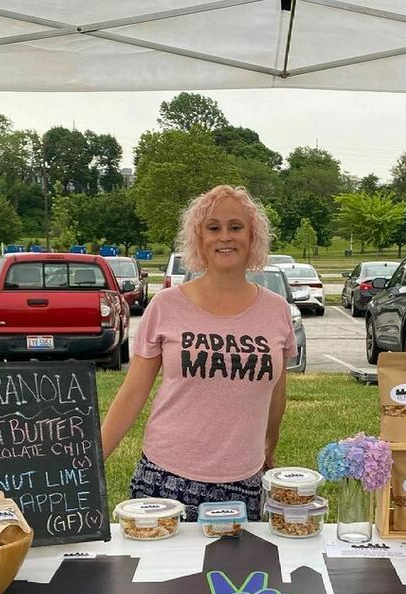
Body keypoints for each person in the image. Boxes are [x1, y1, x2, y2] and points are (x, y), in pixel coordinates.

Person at [101, 185, 296, 521]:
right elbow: (132, 393)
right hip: (166, 480)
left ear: (253, 237)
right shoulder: (166, 306)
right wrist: (91, 463)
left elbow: (277, 392)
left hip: (244, 482)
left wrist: (268, 448)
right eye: (213, 227)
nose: (225, 237)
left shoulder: (277, 311)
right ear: (198, 238)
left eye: (236, 227)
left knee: (234, 575)